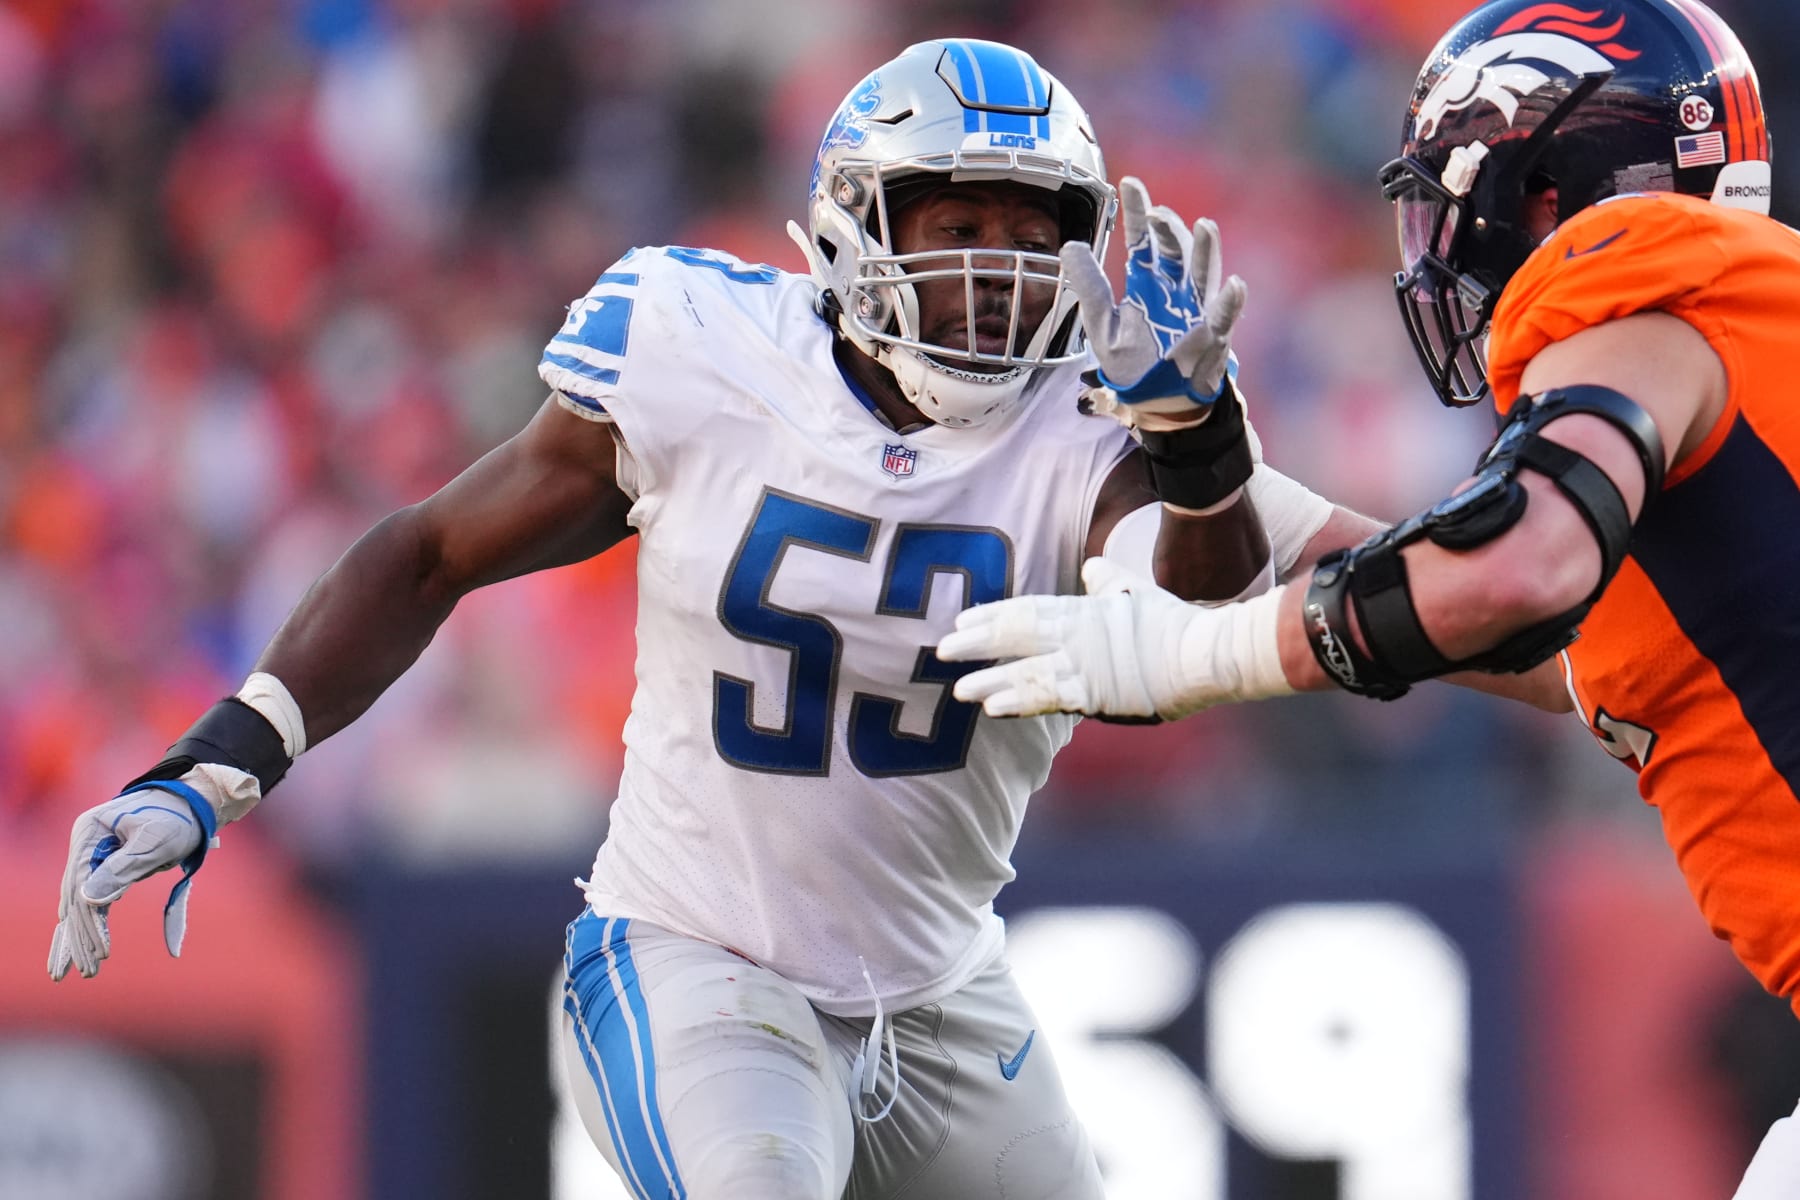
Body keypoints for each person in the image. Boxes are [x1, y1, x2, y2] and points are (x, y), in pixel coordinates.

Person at [50, 39, 1376, 1200]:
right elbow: (429, 554)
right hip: (697, 958)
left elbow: (1187, 615)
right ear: (856, 225)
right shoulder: (702, 348)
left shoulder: (1094, 424)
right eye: (956, 221)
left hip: (938, 996)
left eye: (1031, 236)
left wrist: (1198, 441)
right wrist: (218, 764)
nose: (995, 268)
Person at [936, 1, 1800, 1193]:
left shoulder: (1630, 296)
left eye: (1447, 201)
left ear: (1544, 192)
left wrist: (1204, 659)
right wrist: (1245, 492)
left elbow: (1519, 567)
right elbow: (1559, 644)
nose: (1434, 247)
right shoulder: (1743, 351)